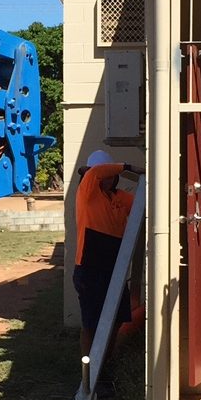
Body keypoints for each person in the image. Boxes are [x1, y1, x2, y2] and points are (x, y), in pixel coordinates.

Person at [72, 149, 140, 357]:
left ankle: (104, 363)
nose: (108, 180)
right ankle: (89, 376)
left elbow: (143, 204)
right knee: (91, 323)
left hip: (114, 268)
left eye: (112, 177)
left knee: (118, 317)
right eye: (105, 175)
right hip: (90, 268)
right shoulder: (87, 192)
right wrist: (128, 167)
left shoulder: (119, 198)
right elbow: (96, 173)